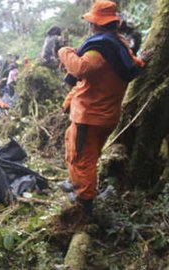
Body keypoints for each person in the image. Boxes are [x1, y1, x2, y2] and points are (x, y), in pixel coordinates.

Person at [58, 0, 152, 219]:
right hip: (104, 115)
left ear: (96, 24)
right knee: (76, 145)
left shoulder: (99, 51)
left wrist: (64, 51)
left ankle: (85, 204)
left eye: (91, 22)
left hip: (90, 116)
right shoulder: (120, 45)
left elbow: (81, 68)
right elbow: (133, 64)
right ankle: (75, 183)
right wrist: (143, 60)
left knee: (82, 159)